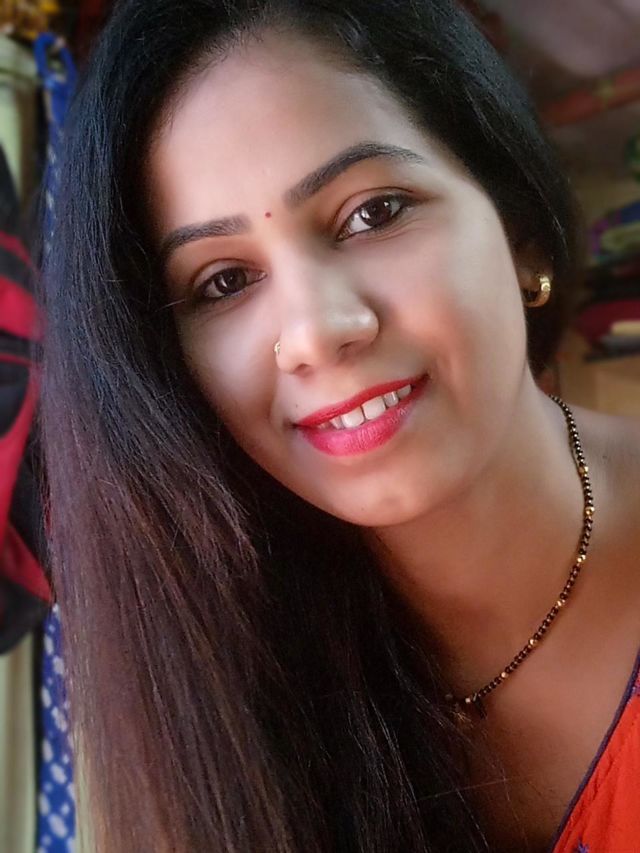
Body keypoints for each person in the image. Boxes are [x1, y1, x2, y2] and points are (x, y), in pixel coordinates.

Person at [38, 0, 640, 851]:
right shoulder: (211, 679)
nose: (317, 331)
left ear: (520, 231)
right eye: (222, 281)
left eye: (373, 212)